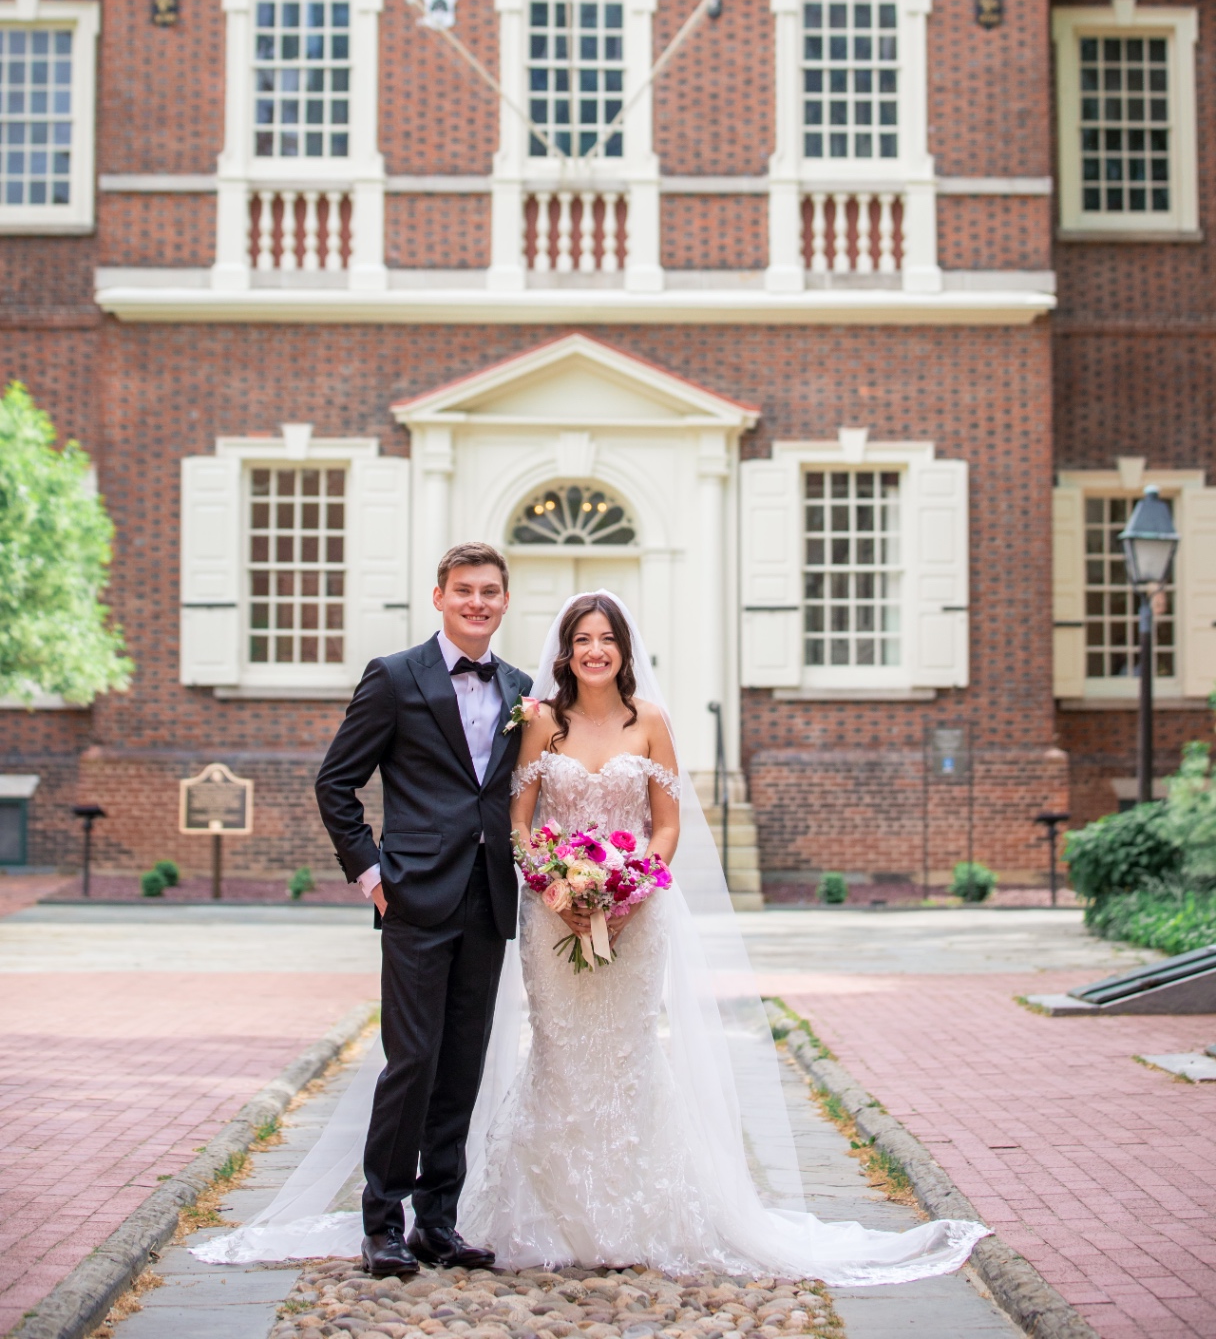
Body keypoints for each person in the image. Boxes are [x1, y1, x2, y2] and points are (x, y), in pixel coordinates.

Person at [457, 591, 989, 1282]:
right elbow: (519, 820)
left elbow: (668, 821)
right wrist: (552, 886)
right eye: (582, 639)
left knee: (626, 1056)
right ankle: (554, 1214)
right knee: (559, 1052)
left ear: (623, 649)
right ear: (565, 651)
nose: (594, 650)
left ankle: (633, 1216)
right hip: (551, 912)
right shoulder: (540, 722)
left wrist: (631, 886)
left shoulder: (650, 721)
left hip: (633, 914)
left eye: (606, 639)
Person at [313, 542, 532, 1280]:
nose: (478, 602)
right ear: (438, 596)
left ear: (504, 601)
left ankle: (439, 1221)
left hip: (487, 896)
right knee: (411, 1061)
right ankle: (382, 1224)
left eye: (490, 591)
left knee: (462, 1065)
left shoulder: (522, 688)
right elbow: (335, 784)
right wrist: (372, 873)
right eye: (464, 590)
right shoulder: (394, 677)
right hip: (413, 895)